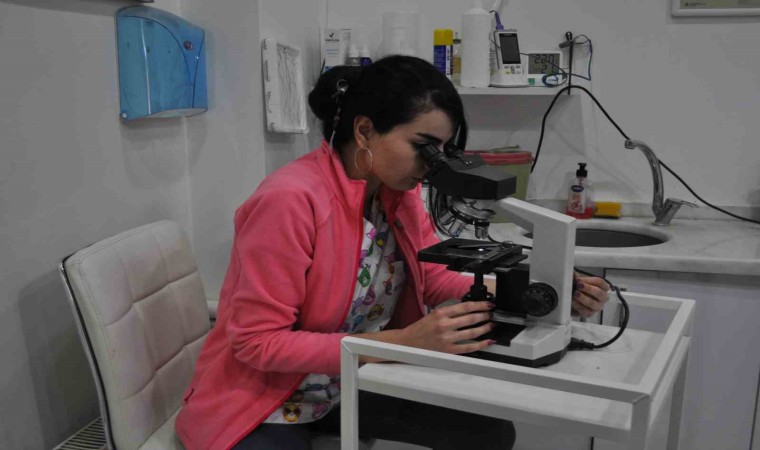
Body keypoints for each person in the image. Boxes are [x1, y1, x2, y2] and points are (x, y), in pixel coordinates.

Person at [175, 55, 610, 450]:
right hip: (264, 397)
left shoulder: (396, 194)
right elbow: (258, 343)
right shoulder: (290, 200)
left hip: (346, 381)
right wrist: (404, 342)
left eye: (441, 151)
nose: (431, 164)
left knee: (488, 433)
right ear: (365, 130)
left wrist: (538, 292)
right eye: (422, 146)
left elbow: (431, 278)